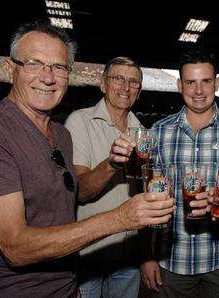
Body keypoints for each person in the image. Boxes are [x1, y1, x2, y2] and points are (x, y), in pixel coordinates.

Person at [0, 21, 174, 297]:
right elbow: (15, 247)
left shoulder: (61, 135)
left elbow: (65, 203)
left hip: (71, 281)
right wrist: (120, 217)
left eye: (58, 67)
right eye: (34, 63)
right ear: (11, 69)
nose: (48, 77)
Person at [140, 51, 219, 297]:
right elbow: (149, 200)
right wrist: (147, 256)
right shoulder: (159, 131)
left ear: (217, 83)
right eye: (191, 82)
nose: (199, 90)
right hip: (172, 259)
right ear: (180, 85)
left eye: (206, 81)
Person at [64, 57, 144, 297]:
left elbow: (144, 195)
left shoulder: (141, 131)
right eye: (118, 78)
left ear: (139, 92)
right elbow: (81, 191)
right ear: (103, 84)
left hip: (128, 258)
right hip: (89, 255)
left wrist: (146, 255)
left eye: (133, 82)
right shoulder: (80, 121)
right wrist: (110, 163)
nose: (125, 87)